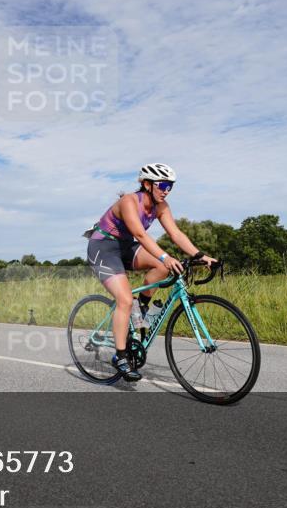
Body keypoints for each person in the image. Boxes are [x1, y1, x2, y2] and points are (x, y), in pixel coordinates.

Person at [84, 163, 216, 382]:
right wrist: (166, 256)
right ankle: (120, 356)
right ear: (147, 184)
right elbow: (140, 235)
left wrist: (200, 255)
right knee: (125, 299)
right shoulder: (129, 201)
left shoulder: (161, 206)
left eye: (170, 186)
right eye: (162, 185)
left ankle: (142, 308)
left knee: (163, 268)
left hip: (126, 247)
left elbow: (176, 234)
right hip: (103, 247)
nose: (166, 191)